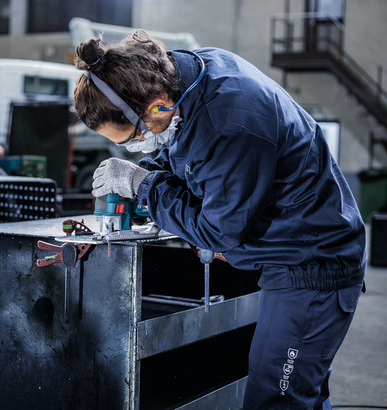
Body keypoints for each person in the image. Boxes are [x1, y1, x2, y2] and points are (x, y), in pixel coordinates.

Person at [73, 31, 366, 410]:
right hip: (297, 249)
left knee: (277, 398)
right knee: (301, 393)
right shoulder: (187, 78)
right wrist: (149, 173)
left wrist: (143, 186)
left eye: (134, 136)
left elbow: (218, 231)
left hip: (312, 264)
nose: (136, 145)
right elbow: (192, 156)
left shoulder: (229, 120)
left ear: (158, 105)